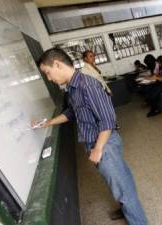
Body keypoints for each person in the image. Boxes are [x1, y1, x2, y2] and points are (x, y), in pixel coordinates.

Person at [35, 48, 148, 225]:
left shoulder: (87, 85)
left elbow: (108, 120)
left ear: (57, 64)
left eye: (48, 73)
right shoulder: (72, 87)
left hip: (104, 144)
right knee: (121, 182)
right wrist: (49, 122)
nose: (50, 78)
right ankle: (127, 209)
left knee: (123, 190)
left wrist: (98, 148)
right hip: (96, 144)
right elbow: (72, 112)